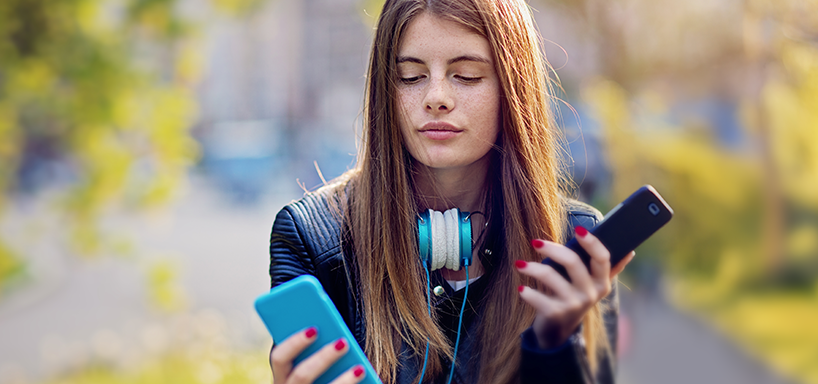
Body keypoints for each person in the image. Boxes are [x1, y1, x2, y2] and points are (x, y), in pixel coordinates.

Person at [266, 0, 633, 382]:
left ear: (513, 88)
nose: (435, 97)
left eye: (467, 76)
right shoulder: (313, 238)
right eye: (411, 77)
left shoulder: (573, 242)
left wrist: (557, 354)